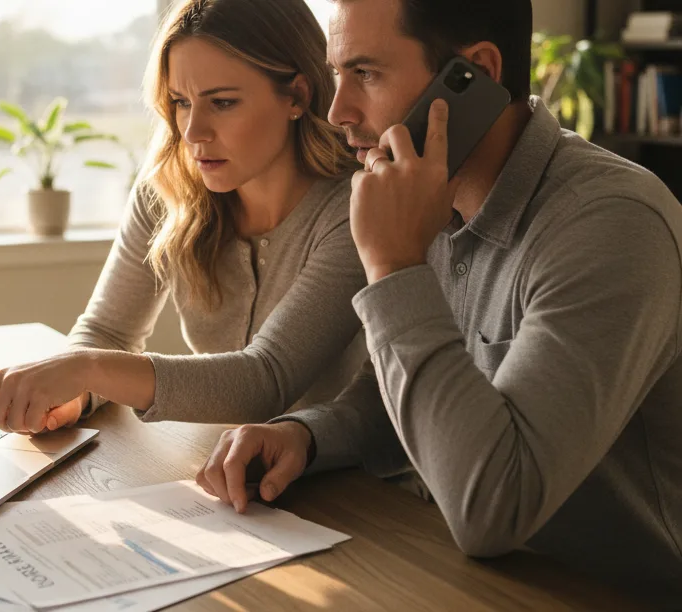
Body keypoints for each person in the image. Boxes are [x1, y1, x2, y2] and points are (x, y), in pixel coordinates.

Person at [196, 0, 682, 605]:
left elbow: (495, 510)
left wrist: (393, 266)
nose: (336, 110)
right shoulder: (430, 190)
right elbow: (394, 397)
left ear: (473, 73)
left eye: (366, 74)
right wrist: (307, 435)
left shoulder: (609, 225)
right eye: (336, 73)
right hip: (450, 570)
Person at [0, 0, 368, 434]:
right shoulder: (169, 187)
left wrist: (85, 367)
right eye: (181, 102)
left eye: (222, 102)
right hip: (224, 469)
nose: (193, 132)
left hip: (351, 492)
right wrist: (76, 395)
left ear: (296, 95)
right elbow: (108, 331)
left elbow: (266, 380)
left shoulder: (356, 207)